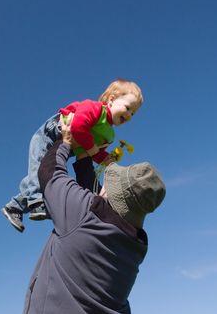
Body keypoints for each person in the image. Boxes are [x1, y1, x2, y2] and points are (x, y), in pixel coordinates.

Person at [22, 115, 166, 314]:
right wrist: (84, 159)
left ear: (110, 193)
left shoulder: (84, 216)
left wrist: (65, 142)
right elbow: (95, 206)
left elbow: (49, 172)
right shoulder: (136, 246)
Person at [1, 79, 143, 232]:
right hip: (51, 134)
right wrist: (93, 149)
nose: (129, 115)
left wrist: (105, 159)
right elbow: (78, 126)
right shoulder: (94, 108)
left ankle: (15, 207)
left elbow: (93, 151)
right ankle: (37, 204)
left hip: (66, 146)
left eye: (133, 113)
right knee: (40, 170)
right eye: (128, 108)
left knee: (45, 176)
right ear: (111, 100)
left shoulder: (109, 134)